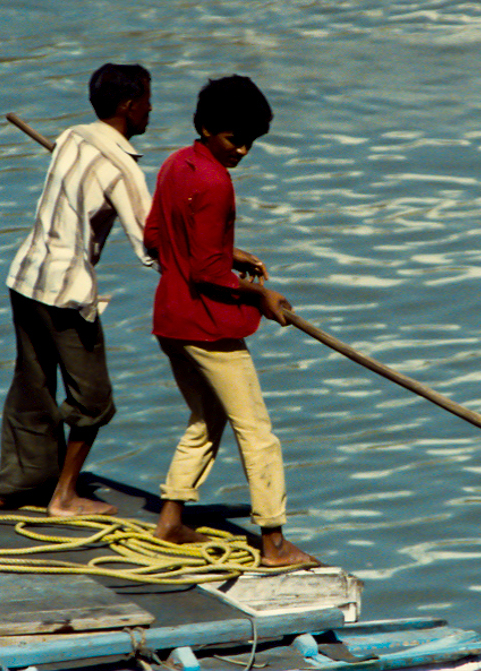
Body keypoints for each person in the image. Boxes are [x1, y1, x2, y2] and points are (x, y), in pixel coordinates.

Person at [144, 75, 316, 567]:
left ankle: (171, 519)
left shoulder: (177, 163)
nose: (241, 149)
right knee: (257, 431)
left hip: (170, 320)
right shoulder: (216, 182)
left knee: (207, 418)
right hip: (206, 328)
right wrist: (260, 294)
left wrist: (227, 252)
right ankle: (274, 544)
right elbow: (205, 270)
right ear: (204, 127)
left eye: (250, 142)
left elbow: (156, 236)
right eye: (232, 139)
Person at [0, 63, 156, 518]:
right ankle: (62, 496)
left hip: (26, 276)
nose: (150, 110)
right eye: (145, 101)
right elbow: (151, 242)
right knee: (93, 399)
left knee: (33, 383)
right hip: (65, 291)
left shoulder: (72, 137)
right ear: (127, 107)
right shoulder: (123, 168)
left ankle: (15, 485)